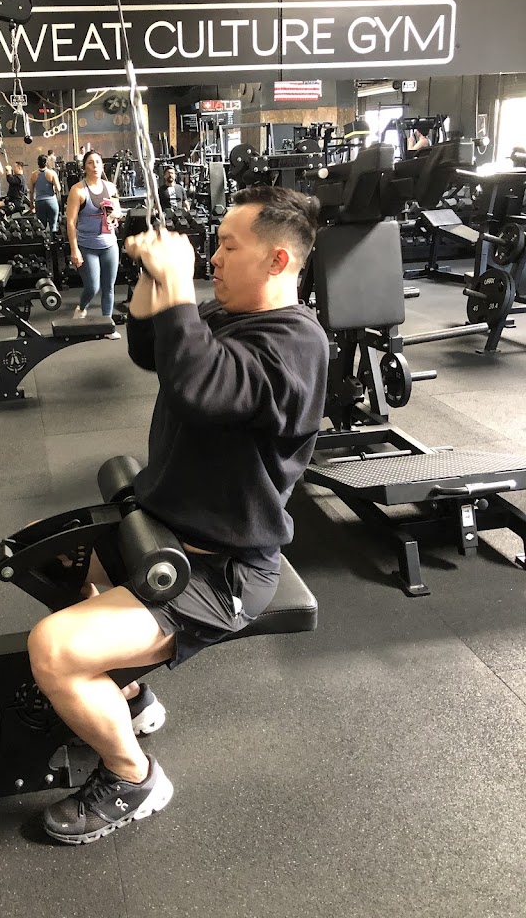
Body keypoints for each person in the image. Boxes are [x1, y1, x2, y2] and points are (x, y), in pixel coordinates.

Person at [27, 185, 330, 845]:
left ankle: (132, 778)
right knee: (53, 566)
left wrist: (178, 282)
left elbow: (200, 387)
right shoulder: (228, 314)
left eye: (227, 246)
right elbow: (151, 351)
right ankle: (130, 697)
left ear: (277, 260)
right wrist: (150, 275)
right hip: (164, 530)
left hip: (221, 569)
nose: (213, 257)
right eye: (213, 245)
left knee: (52, 650)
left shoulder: (296, 344)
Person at [65, 150, 123, 336]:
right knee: (92, 287)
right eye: (90, 162)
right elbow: (71, 222)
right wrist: (74, 249)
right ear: (85, 167)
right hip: (87, 245)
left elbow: (118, 211)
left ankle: (108, 326)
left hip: (109, 244)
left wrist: (116, 215)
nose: (95, 165)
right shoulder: (78, 190)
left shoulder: (110, 187)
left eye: (98, 162)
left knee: (109, 287)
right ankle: (82, 308)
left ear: (102, 166)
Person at [29, 154, 62, 234]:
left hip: (39, 202)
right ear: (46, 162)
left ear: (38, 163)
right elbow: (58, 189)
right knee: (53, 226)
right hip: (51, 201)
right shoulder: (52, 173)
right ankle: (53, 240)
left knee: (42, 227)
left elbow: (31, 191)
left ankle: (44, 240)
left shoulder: (33, 174)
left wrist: (31, 203)